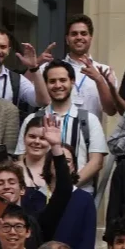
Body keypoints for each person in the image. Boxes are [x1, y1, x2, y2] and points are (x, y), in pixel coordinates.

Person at [18, 61, 108, 191]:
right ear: (46, 84)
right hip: (38, 196)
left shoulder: (89, 120)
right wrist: (44, 189)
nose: (58, 85)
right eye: (52, 81)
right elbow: (22, 157)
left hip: (78, 194)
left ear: (72, 81)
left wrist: (66, 188)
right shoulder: (32, 120)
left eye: (62, 80)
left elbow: (96, 162)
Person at [0, 26, 47, 112]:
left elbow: (42, 101)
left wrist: (34, 68)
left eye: (3, 47)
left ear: (8, 50)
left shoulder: (16, 80)